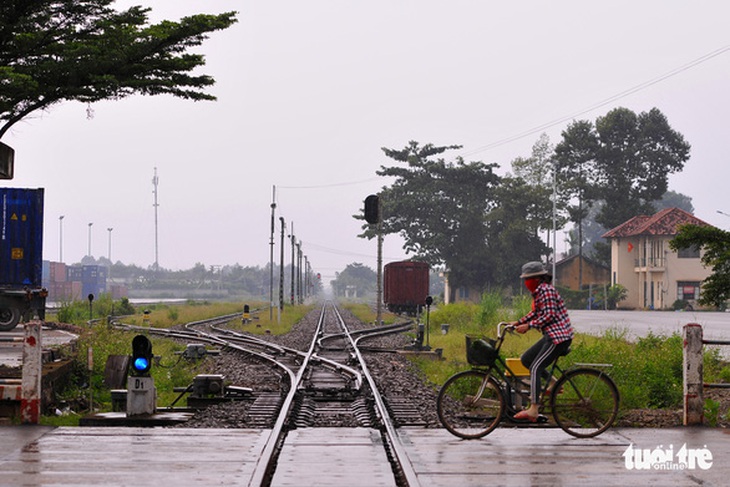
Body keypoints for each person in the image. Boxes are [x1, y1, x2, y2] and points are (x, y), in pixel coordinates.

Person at [509, 261, 573, 422]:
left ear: (537, 278)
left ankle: (533, 409)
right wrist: (517, 323)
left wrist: (529, 326)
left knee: (536, 367)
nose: (526, 283)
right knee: (526, 359)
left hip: (559, 337)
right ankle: (554, 384)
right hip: (551, 336)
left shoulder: (546, 290)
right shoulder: (539, 292)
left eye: (528, 279)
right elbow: (535, 313)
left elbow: (549, 316)